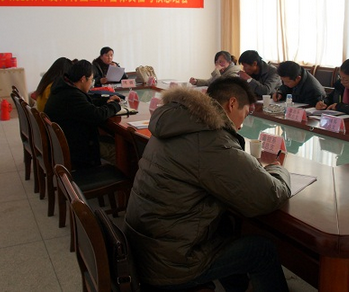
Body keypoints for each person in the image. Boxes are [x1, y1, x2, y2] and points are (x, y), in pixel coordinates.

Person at [125, 77, 292, 291]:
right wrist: (277, 169)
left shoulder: (177, 123)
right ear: (232, 104)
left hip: (144, 246)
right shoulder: (210, 138)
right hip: (171, 263)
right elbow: (267, 196)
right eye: (244, 114)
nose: (241, 124)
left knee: (227, 227)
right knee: (262, 250)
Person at [44, 60, 121, 168]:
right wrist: (114, 105)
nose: (91, 83)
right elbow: (97, 115)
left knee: (112, 140)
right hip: (77, 149)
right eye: (91, 80)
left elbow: (86, 104)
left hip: (67, 142)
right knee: (122, 152)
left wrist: (106, 101)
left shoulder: (63, 89)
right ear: (83, 79)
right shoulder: (72, 96)